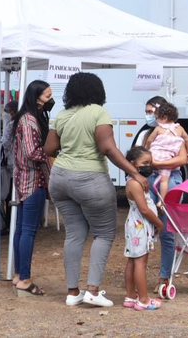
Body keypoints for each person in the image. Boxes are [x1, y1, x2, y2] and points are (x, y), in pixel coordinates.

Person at [44, 72, 149, 308]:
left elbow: (49, 148)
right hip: (90, 178)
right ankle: (92, 289)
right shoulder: (98, 112)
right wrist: (134, 172)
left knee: (74, 234)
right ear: (98, 91)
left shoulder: (61, 115)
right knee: (103, 233)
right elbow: (108, 149)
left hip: (60, 178)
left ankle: (73, 292)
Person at [11, 81, 54, 297]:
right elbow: (31, 151)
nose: (50, 100)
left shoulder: (27, 117)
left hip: (24, 179)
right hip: (32, 179)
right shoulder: (29, 120)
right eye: (47, 96)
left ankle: (19, 274)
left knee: (21, 229)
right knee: (27, 230)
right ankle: (25, 279)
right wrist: (51, 156)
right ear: (37, 98)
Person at [141, 101, 188, 290]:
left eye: (153, 112)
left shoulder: (166, 131)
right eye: (148, 112)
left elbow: (183, 158)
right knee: (143, 228)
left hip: (158, 175)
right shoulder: (153, 132)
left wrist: (156, 163)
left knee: (166, 232)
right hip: (153, 178)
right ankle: (140, 276)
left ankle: (164, 277)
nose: (151, 116)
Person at [123, 146, 164, 311]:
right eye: (145, 162)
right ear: (133, 164)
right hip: (139, 227)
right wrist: (159, 223)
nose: (149, 166)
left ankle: (131, 296)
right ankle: (144, 299)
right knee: (140, 261)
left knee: (133, 260)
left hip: (136, 226)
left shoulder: (135, 182)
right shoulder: (135, 184)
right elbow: (144, 209)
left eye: (150, 162)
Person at [143, 102, 188, 202]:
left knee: (155, 213)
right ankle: (161, 201)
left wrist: (149, 153)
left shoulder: (157, 130)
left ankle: (161, 202)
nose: (151, 118)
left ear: (164, 117)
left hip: (153, 169)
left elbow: (149, 141)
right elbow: (187, 142)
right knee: (164, 182)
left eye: (154, 115)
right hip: (166, 171)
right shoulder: (178, 132)